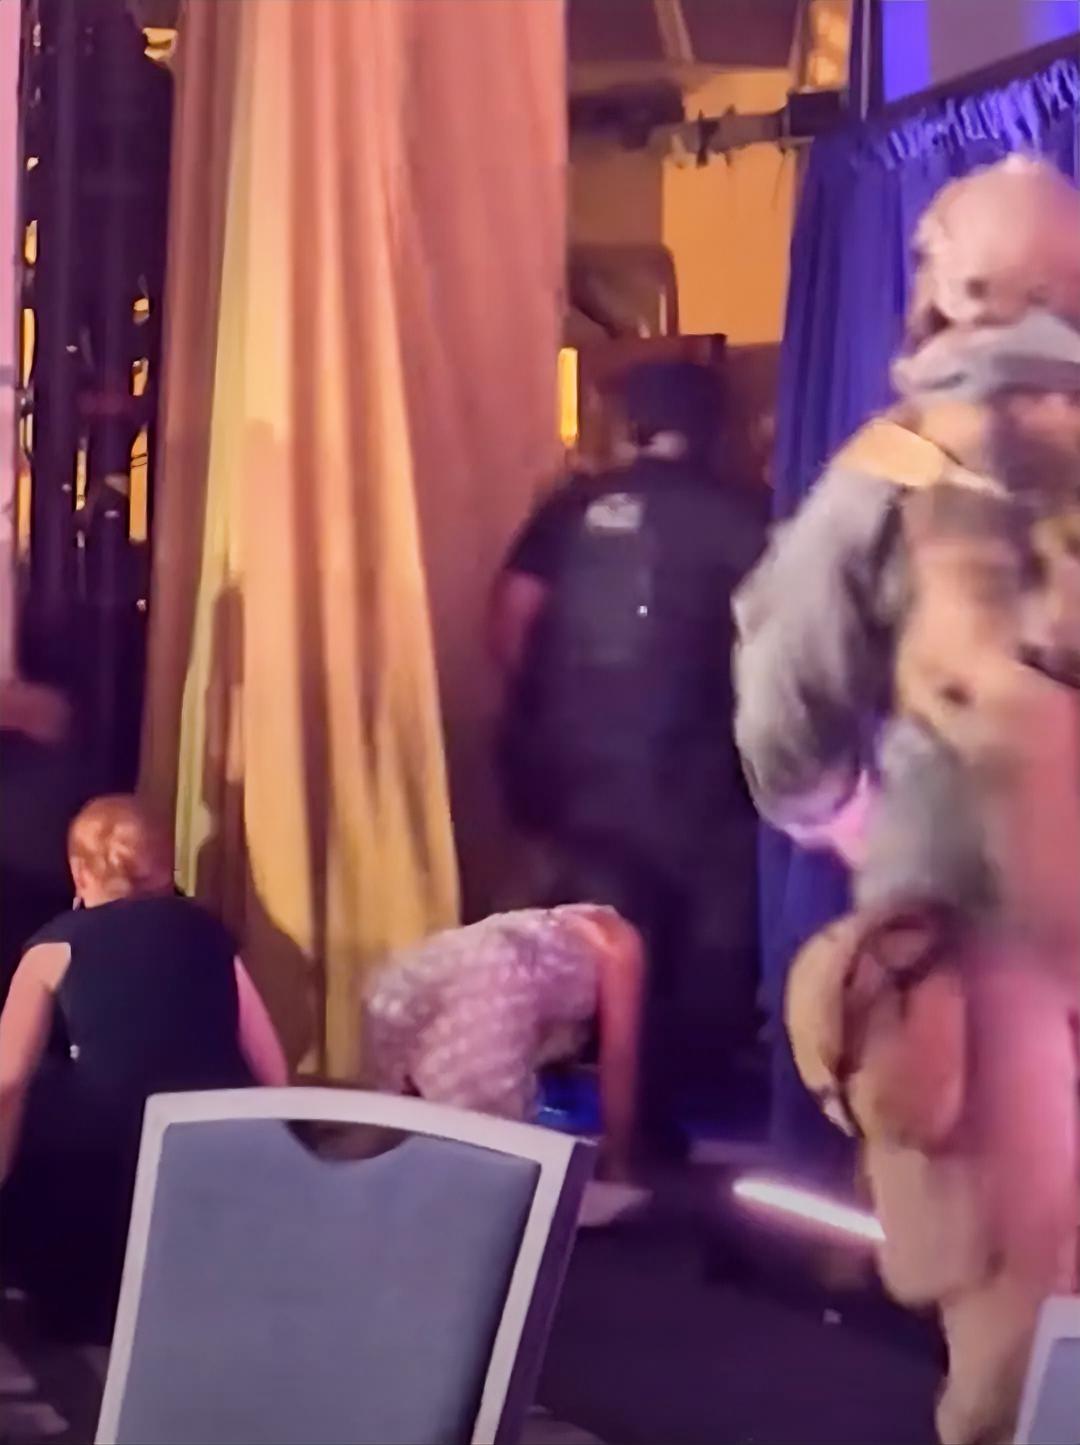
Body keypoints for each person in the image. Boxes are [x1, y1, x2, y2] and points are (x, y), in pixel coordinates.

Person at [733, 156, 1080, 1444]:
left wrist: (840, 814)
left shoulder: (899, 452)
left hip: (980, 972)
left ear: (956, 286)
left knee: (1007, 1349)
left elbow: (784, 693)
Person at [491, 360, 765, 1143]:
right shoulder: (745, 513)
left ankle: (613, 1124)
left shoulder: (568, 508)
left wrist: (547, 712)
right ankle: (661, 1128)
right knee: (703, 961)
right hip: (699, 775)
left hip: (579, 778)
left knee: (605, 947)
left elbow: (508, 620)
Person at [0, 794, 287, 1340]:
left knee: (44, 1085)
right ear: (166, 865)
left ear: (79, 872)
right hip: (205, 1183)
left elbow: (6, 1078)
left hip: (98, 1197)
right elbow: (272, 1070)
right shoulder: (210, 935)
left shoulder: (52, 947)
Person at [362, 905, 644, 1179]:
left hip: (425, 970)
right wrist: (618, 1160)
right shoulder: (620, 939)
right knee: (491, 1154)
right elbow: (619, 1057)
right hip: (493, 977)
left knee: (415, 1135)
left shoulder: (557, 922)